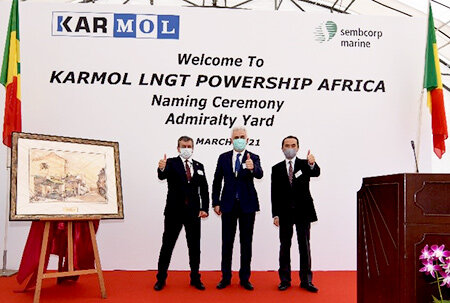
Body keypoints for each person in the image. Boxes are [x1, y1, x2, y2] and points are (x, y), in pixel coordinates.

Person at [154, 136, 209, 291]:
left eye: (189, 146)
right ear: (178, 148)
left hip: (193, 213)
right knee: (167, 246)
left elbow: (204, 189)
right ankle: (161, 279)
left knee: (194, 247)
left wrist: (204, 208)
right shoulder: (170, 163)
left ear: (193, 148)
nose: (186, 148)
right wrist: (162, 167)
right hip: (174, 212)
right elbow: (162, 175)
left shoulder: (199, 166)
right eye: (183, 146)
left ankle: (195, 278)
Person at [212, 126, 263, 290]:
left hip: (247, 206)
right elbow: (216, 181)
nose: (239, 139)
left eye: (242, 137)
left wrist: (252, 167)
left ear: (247, 140)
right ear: (231, 140)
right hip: (228, 205)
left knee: (246, 243)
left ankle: (245, 278)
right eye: (236, 137)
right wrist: (216, 202)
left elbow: (260, 173)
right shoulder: (223, 157)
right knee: (227, 243)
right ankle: (225, 278)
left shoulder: (253, 157)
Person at [271, 136, 320, 292]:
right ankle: (285, 280)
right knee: (285, 246)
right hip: (284, 213)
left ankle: (306, 281)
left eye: (293, 145)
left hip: (303, 212)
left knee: (304, 246)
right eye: (287, 145)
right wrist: (276, 214)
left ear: (298, 148)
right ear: (282, 148)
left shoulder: (305, 165)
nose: (290, 148)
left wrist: (312, 163)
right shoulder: (276, 168)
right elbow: (274, 194)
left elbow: (316, 173)